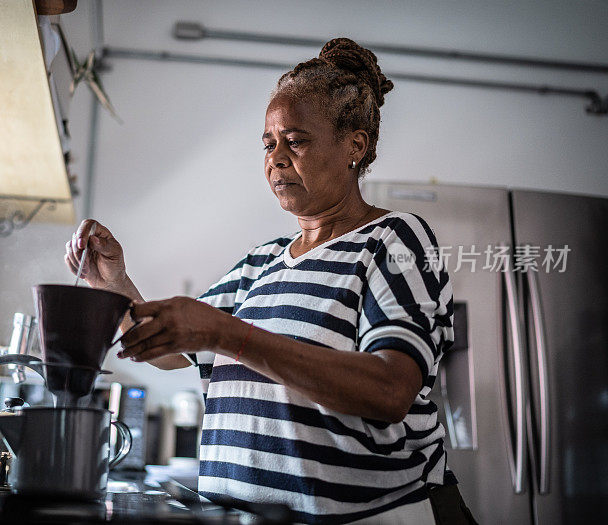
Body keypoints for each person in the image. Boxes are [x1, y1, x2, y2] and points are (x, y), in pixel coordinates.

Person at [65, 38, 474, 524]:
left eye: (295, 141)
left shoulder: (395, 241)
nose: (276, 158)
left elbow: (389, 390)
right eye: (268, 143)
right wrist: (112, 280)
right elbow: (175, 348)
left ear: (354, 146)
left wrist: (225, 334)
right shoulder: (260, 264)